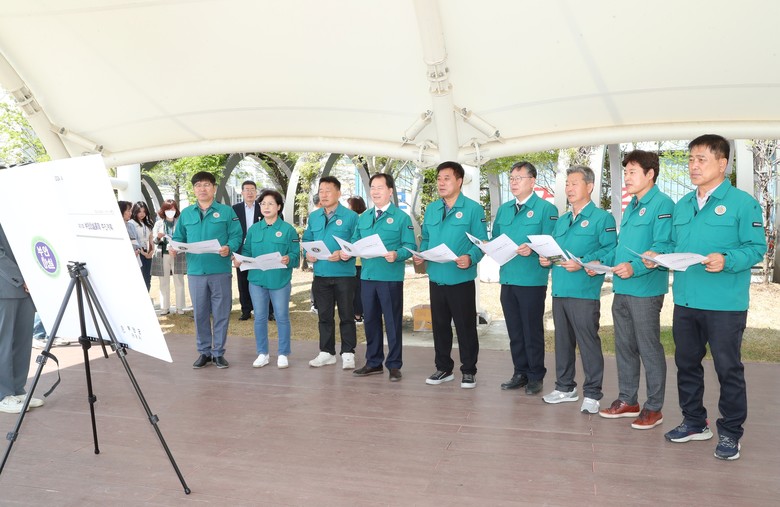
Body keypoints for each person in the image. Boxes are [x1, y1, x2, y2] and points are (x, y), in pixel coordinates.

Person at [649, 135, 766, 460]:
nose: (693, 166)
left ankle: (730, 432)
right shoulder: (683, 204)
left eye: (701, 159)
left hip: (724, 305)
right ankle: (693, 422)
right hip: (686, 301)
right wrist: (657, 255)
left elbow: (756, 248)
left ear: (722, 163)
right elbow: (673, 245)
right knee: (686, 364)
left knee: (728, 369)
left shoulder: (743, 203)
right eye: (690, 159)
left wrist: (727, 260)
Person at [594, 150, 674, 430]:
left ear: (650, 174)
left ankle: (654, 408)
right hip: (622, 288)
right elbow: (622, 248)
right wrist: (600, 262)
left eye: (632, 172)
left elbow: (663, 248)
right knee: (624, 346)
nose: (626, 177)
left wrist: (636, 268)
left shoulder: (662, 204)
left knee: (649, 349)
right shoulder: (632, 206)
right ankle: (628, 400)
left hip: (645, 290)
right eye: (625, 172)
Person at [540, 165, 617, 413]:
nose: (569, 188)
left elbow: (610, 250)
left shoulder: (602, 218)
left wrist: (584, 262)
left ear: (589, 186)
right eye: (567, 184)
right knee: (562, 342)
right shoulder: (563, 220)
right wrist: (546, 258)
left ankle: (592, 394)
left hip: (584, 292)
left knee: (588, 343)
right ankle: (565, 388)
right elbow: (556, 250)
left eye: (574, 183)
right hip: (560, 289)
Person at [413, 161, 488, 388]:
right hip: (436, 276)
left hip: (460, 278)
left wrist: (471, 258)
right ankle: (443, 368)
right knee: (440, 325)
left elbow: (481, 242)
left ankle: (469, 370)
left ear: (459, 181)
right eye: (439, 179)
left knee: (465, 327)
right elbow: (426, 238)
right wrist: (422, 254)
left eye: (446, 178)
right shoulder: (432, 209)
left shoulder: (473, 209)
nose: (441, 183)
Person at [493, 161, 558, 395]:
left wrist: (532, 248)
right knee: (515, 330)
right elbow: (496, 238)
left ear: (532, 181)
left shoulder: (546, 209)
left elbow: (552, 243)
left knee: (532, 330)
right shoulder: (504, 209)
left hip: (531, 279)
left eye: (518, 178)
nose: (513, 182)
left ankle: (535, 375)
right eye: (511, 178)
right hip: (508, 278)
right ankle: (519, 372)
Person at [345, 174, 416, 382]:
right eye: (372, 188)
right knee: (370, 321)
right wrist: (349, 251)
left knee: (392, 322)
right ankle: (373, 362)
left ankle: (394, 365)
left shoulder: (401, 218)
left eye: (380, 187)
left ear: (390, 191)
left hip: (390, 277)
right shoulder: (364, 217)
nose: (375, 192)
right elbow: (355, 240)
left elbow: (410, 246)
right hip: (367, 276)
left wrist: (397, 254)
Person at [171, 171, 243, 369]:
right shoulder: (186, 213)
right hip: (195, 272)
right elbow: (178, 237)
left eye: (206, 185)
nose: (202, 189)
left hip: (219, 270)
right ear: (194, 189)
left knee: (221, 313)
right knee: (200, 314)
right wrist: (174, 247)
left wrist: (229, 247)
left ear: (214, 188)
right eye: (198, 185)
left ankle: (218, 353)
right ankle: (204, 352)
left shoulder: (227, 212)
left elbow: (237, 236)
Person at [238, 189, 300, 369]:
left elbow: (296, 255)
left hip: (279, 280)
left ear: (279, 207)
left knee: (281, 316)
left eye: (270, 203)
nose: (266, 207)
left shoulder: (288, 230)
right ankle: (262, 353)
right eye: (263, 203)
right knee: (259, 317)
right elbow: (247, 251)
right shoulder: (254, 229)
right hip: (257, 280)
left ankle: (283, 353)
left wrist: (289, 258)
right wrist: (240, 259)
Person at [303, 176, 359, 369]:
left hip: (344, 275)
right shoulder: (314, 216)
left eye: (328, 190)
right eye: (321, 191)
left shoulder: (351, 216)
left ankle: (348, 352)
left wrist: (343, 254)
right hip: (321, 275)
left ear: (338, 193)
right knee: (324, 316)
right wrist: (308, 254)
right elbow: (308, 239)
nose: (324, 194)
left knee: (347, 315)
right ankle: (326, 352)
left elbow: (356, 242)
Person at [0, 223, 44, 413]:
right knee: (3, 343)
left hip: (26, 287)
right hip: (6, 286)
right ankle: (2, 394)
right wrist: (22, 278)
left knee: (22, 341)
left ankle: (17, 390)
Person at [232, 180, 262, 321]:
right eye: (247, 189)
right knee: (243, 281)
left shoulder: (262, 207)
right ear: (242, 192)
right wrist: (234, 253)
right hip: (241, 250)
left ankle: (264, 309)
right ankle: (245, 310)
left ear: (256, 192)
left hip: (260, 249)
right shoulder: (235, 209)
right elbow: (231, 231)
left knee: (261, 278)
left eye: (252, 189)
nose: (249, 192)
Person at [152, 199, 187, 315]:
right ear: (163, 210)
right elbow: (154, 241)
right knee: (163, 281)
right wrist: (158, 237)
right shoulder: (159, 223)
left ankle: (180, 307)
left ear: (176, 210)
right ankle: (164, 307)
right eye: (168, 209)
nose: (170, 211)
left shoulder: (180, 222)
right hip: (162, 254)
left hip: (177, 254)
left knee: (179, 280)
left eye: (172, 209)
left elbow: (184, 238)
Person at [346, 195, 367, 323]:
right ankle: (360, 313)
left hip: (357, 260)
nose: (347, 207)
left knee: (357, 290)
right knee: (361, 289)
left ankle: (357, 315)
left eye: (349, 205)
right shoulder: (365, 217)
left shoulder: (356, 219)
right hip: (362, 260)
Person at [130, 201, 155, 291]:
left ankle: (147, 296)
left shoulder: (148, 223)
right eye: (139, 211)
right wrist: (143, 253)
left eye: (144, 211)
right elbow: (134, 240)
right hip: (138, 252)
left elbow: (151, 238)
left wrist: (152, 251)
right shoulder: (131, 223)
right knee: (140, 278)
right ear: (135, 211)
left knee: (148, 278)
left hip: (148, 252)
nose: (142, 214)